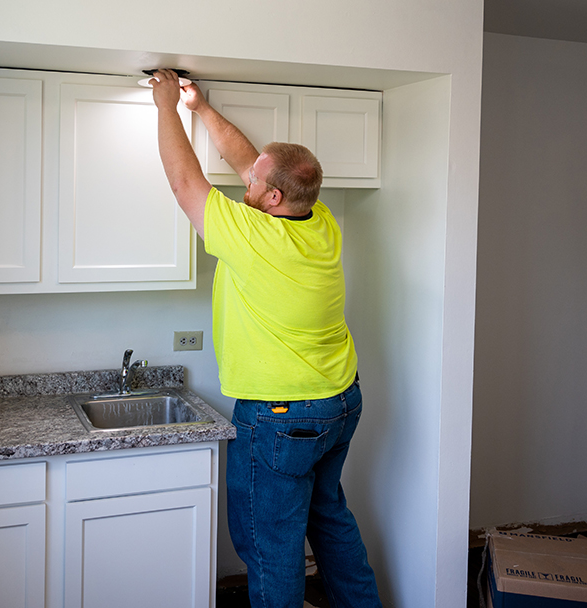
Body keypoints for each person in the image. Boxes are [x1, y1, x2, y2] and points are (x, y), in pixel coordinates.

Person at [150, 69, 382, 608]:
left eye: (253, 183)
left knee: (270, 545)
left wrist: (165, 107)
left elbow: (186, 184)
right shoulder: (317, 218)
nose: (243, 184)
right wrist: (199, 107)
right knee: (329, 520)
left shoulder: (252, 237)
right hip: (340, 402)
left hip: (283, 418)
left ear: (272, 196)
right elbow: (249, 159)